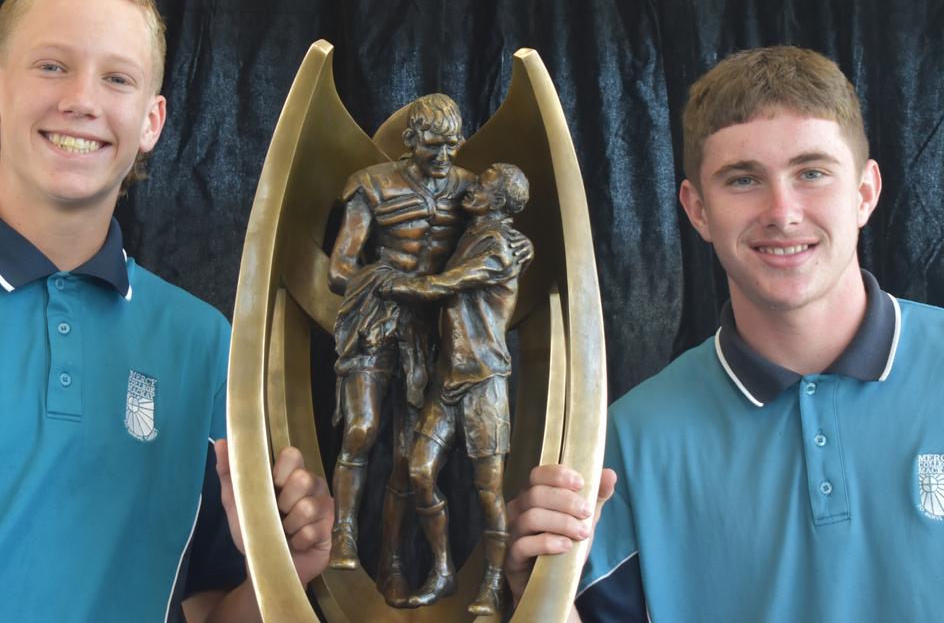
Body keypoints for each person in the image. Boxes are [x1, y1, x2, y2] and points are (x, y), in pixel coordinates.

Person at [0, 0, 333, 622]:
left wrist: (280, 572)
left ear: (151, 122)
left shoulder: (203, 344)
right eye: (52, 65)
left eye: (117, 78)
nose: (81, 100)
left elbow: (205, 611)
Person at [505, 46, 944, 622]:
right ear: (698, 209)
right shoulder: (625, 445)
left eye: (811, 172)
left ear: (864, 192)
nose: (782, 212)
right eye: (743, 180)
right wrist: (537, 597)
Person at [326, 93, 475, 605]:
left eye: (451, 146)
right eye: (433, 146)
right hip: (375, 318)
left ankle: (392, 562)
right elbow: (339, 269)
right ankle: (343, 530)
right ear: (411, 141)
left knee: (407, 457)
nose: (442, 157)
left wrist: (515, 247)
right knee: (362, 428)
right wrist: (387, 282)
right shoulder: (373, 185)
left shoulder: (469, 190)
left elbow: (494, 239)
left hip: (432, 333)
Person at [381, 163, 533, 615]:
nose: (474, 187)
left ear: (501, 202)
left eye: (483, 185)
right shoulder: (475, 233)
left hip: (484, 381)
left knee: (488, 491)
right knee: (419, 471)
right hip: (448, 379)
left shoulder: (502, 247)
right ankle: (444, 570)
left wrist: (398, 284)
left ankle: (492, 580)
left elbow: (450, 283)